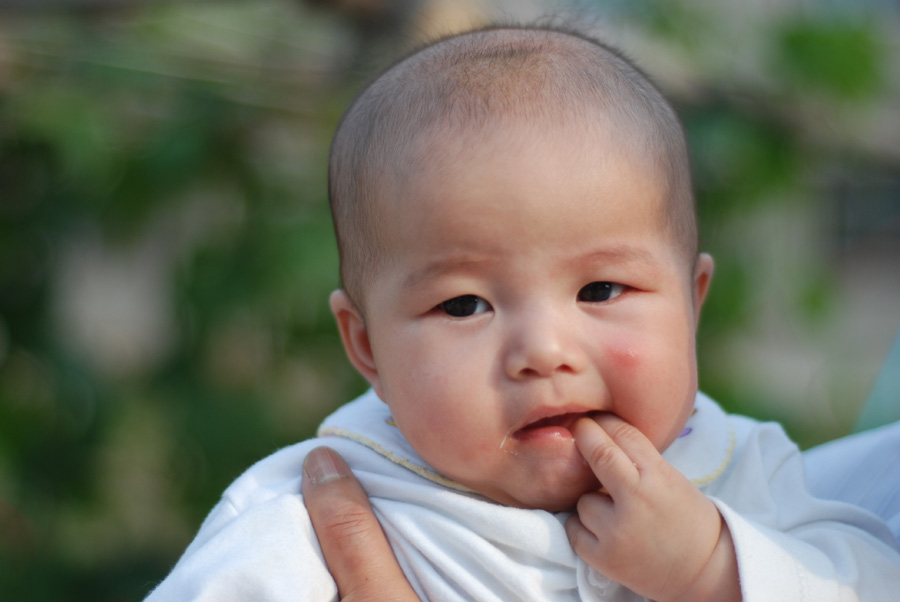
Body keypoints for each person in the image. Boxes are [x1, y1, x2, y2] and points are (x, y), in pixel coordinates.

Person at [144, 24, 900, 601]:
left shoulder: (740, 472)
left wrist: (713, 569)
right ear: (366, 346)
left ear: (692, 303)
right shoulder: (314, 514)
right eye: (464, 304)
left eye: (601, 291)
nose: (542, 350)